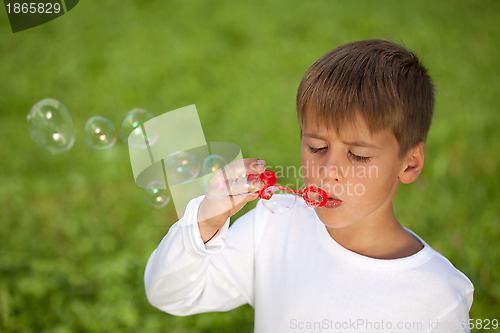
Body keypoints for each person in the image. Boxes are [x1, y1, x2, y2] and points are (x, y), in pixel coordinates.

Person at [144, 39, 474, 332]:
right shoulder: (276, 224)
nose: (329, 171)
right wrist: (206, 221)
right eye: (317, 147)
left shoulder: (436, 297)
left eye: (357, 155)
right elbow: (170, 294)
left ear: (410, 163)